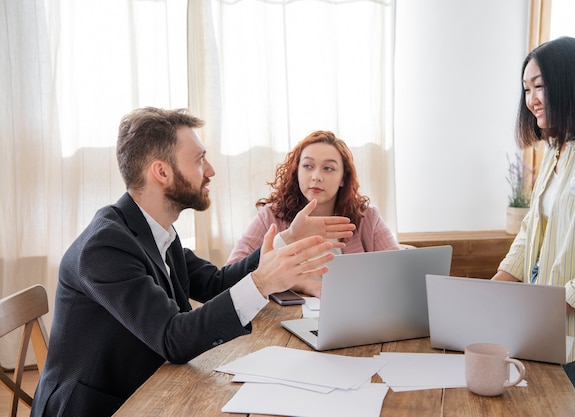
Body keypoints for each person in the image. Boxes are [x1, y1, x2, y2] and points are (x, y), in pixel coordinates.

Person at [31, 107, 355, 417]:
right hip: (103, 407)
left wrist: (288, 238)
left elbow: (215, 283)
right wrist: (262, 283)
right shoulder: (105, 246)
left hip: (152, 390)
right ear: (162, 172)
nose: (210, 170)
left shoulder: (155, 230)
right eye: (200, 159)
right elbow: (173, 338)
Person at [493, 37, 575, 417]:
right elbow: (530, 232)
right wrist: (493, 291)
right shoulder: (556, 149)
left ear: (572, 84)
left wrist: (553, 307)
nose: (531, 99)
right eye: (526, 89)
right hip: (543, 324)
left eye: (540, 87)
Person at [226, 130, 400, 297]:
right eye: (308, 166)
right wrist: (306, 284)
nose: (316, 176)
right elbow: (232, 275)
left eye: (328, 168)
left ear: (343, 179)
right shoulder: (271, 216)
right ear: (297, 172)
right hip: (284, 319)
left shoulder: (366, 217)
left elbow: (399, 272)